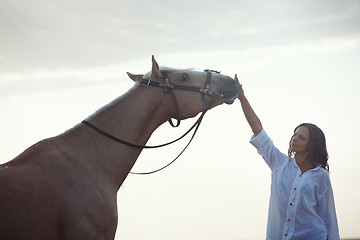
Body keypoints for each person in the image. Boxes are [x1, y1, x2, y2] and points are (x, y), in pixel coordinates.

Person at [235, 74, 340, 240]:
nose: (294, 139)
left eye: (301, 137)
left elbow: (329, 219)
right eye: (295, 134)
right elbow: (258, 130)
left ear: (311, 145)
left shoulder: (321, 176)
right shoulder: (279, 163)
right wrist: (242, 98)